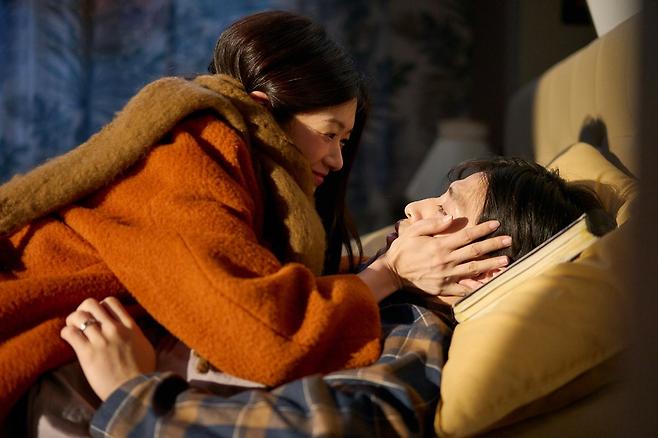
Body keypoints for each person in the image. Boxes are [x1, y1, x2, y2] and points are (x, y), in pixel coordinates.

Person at [0, 10, 511, 429]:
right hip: (43, 359)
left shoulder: (416, 330)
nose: (337, 159)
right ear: (264, 112)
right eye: (329, 133)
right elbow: (259, 331)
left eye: (345, 140)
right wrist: (387, 273)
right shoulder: (195, 150)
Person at [57, 155, 609, 437]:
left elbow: (344, 424)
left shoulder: (413, 326)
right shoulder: (371, 276)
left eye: (444, 208)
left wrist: (136, 397)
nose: (414, 206)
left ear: (481, 267)